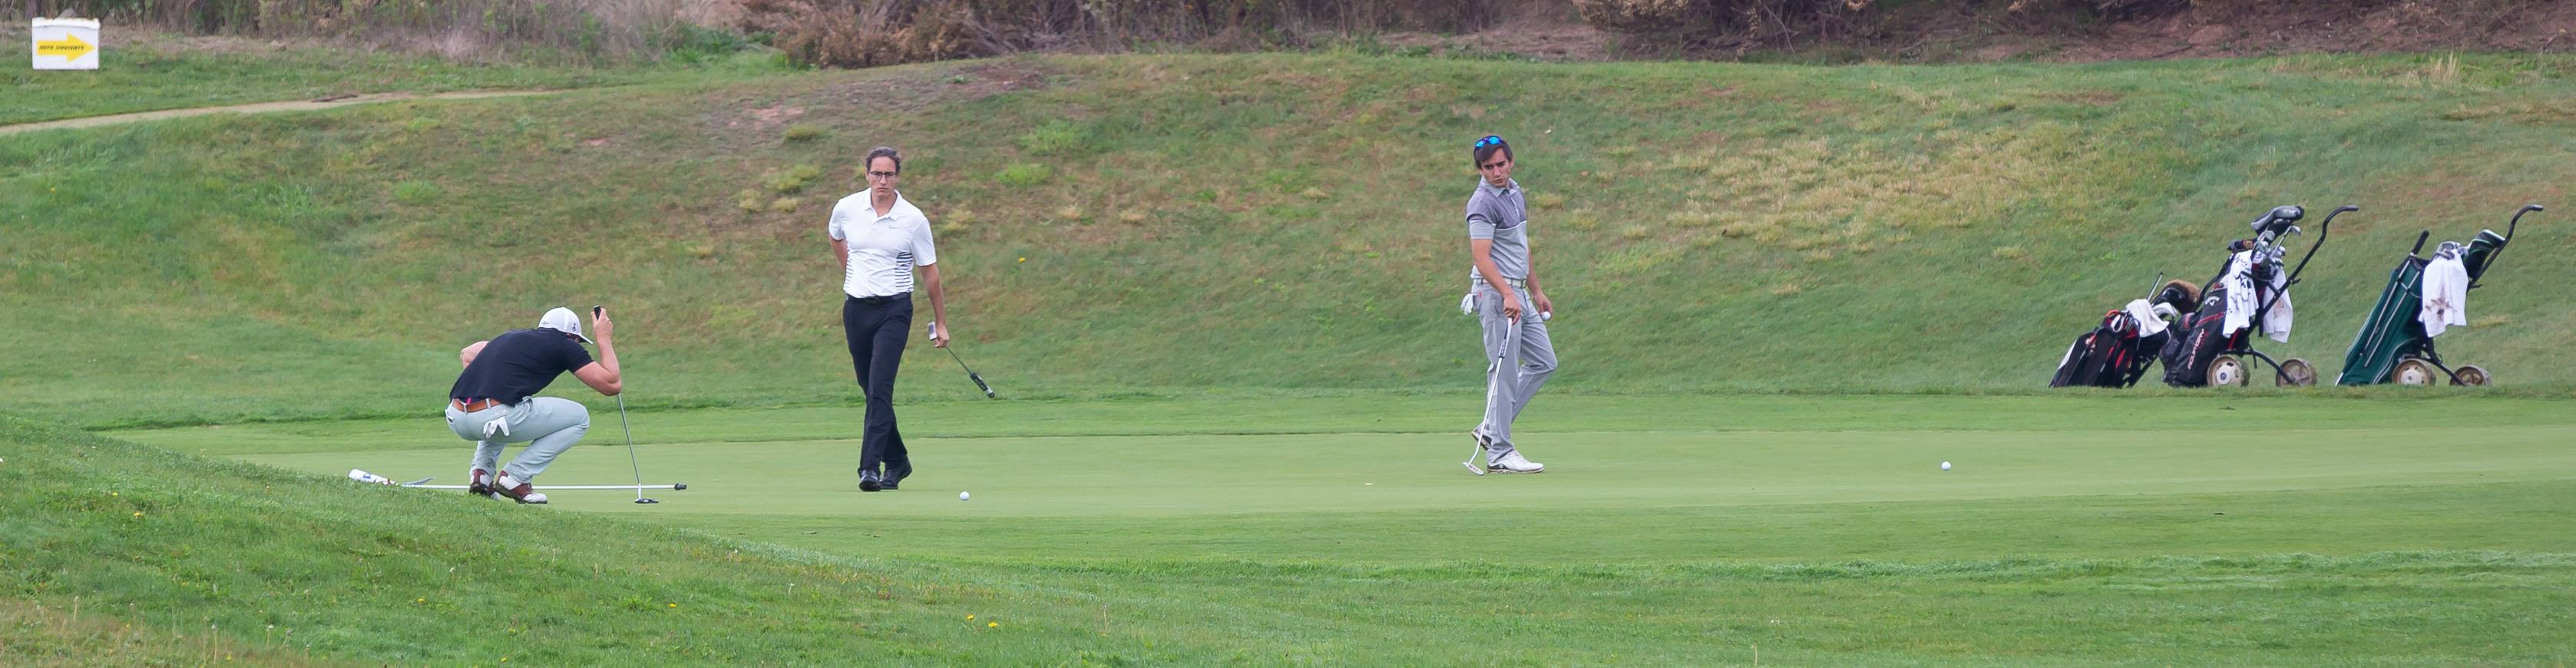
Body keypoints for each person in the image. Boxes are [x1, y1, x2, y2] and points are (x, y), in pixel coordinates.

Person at [829, 146, 950, 492]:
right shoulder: (847, 208)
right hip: (855, 309)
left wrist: (940, 323)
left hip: (894, 310)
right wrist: (849, 271)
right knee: (869, 389)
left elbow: (931, 274)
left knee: (881, 387)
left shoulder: (913, 220)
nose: (882, 180)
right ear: (866, 174)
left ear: (898, 177)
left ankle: (869, 467)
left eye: (889, 174)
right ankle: (898, 461)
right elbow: (836, 237)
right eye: (876, 173)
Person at [447, 306, 622, 504]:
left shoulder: (511, 337)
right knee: (579, 418)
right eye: (578, 341)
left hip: (457, 417)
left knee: (504, 409)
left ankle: (481, 476)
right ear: (572, 336)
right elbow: (611, 385)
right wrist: (603, 338)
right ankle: (516, 477)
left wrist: (491, 386)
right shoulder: (565, 344)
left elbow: (468, 354)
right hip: (493, 416)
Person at [1463, 134, 1555, 474]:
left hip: (1520, 294)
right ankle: (1499, 453)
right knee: (1502, 371)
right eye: (1488, 168)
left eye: (1501, 165)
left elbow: (1520, 246)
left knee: (1545, 362)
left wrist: (1536, 290)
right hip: (1496, 295)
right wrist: (1508, 294)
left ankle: (1490, 428)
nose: (1496, 173)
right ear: (1480, 169)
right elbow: (1481, 257)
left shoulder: (1515, 193)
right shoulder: (1482, 203)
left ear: (1511, 162)